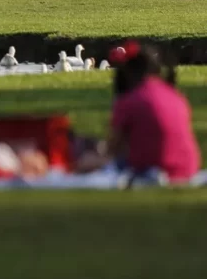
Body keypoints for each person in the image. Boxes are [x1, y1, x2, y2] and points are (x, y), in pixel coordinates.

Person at [77, 42, 200, 182]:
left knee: (86, 162)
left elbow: (113, 148)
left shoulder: (130, 100)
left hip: (149, 168)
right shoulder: (176, 97)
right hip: (187, 168)